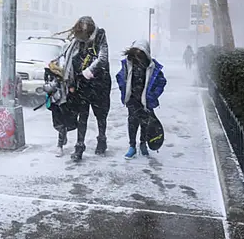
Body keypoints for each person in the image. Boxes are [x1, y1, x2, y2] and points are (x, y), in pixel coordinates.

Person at [59, 16, 111, 161]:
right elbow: (69, 58)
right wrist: (69, 78)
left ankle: (102, 139)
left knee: (100, 114)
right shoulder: (77, 41)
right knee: (82, 115)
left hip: (100, 83)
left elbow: (103, 59)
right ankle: (79, 146)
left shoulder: (100, 36)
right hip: (82, 84)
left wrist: (87, 72)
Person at [116, 40, 167, 159]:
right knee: (132, 122)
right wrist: (124, 90)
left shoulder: (152, 67)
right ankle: (132, 146)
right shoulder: (128, 64)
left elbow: (161, 82)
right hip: (132, 99)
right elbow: (120, 77)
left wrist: (152, 96)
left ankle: (143, 143)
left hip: (146, 101)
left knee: (145, 123)